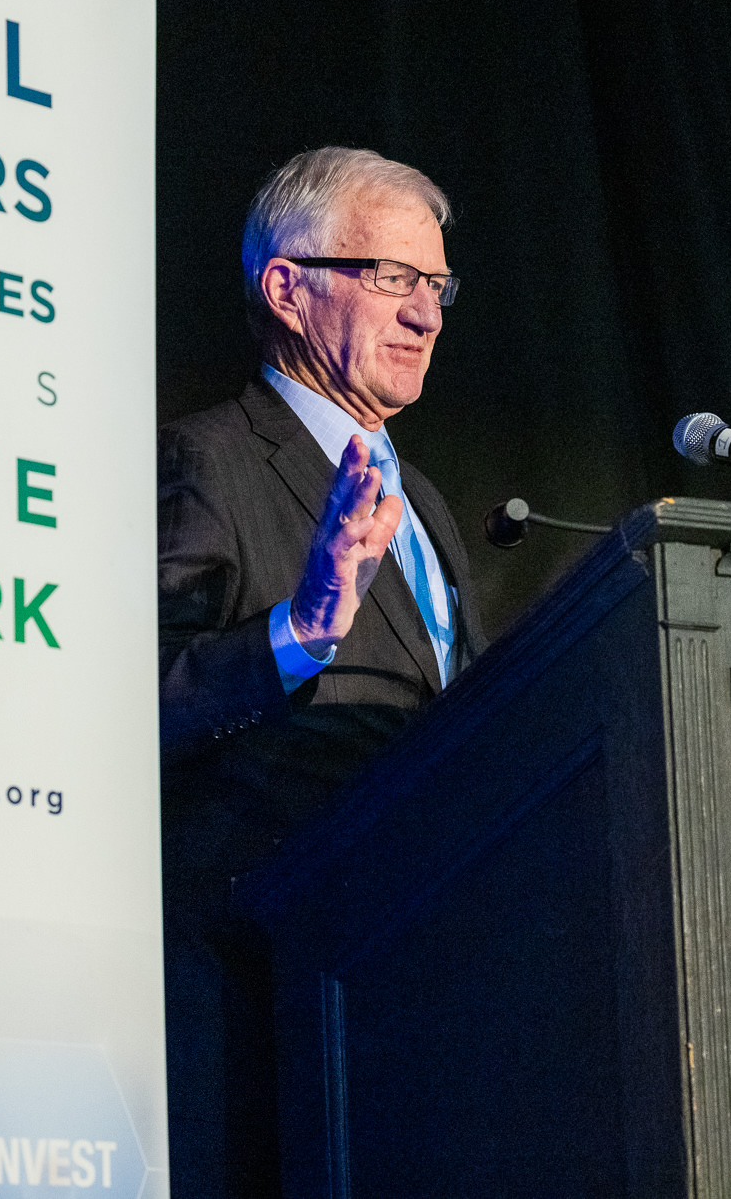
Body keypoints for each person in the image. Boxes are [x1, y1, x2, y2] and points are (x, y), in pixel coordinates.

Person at [156, 147, 485, 1195]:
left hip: (412, 992)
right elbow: (121, 705)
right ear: (286, 289)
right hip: (251, 998)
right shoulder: (204, 462)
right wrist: (297, 630)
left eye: (434, 286)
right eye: (390, 278)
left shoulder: (423, 503)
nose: (424, 314)